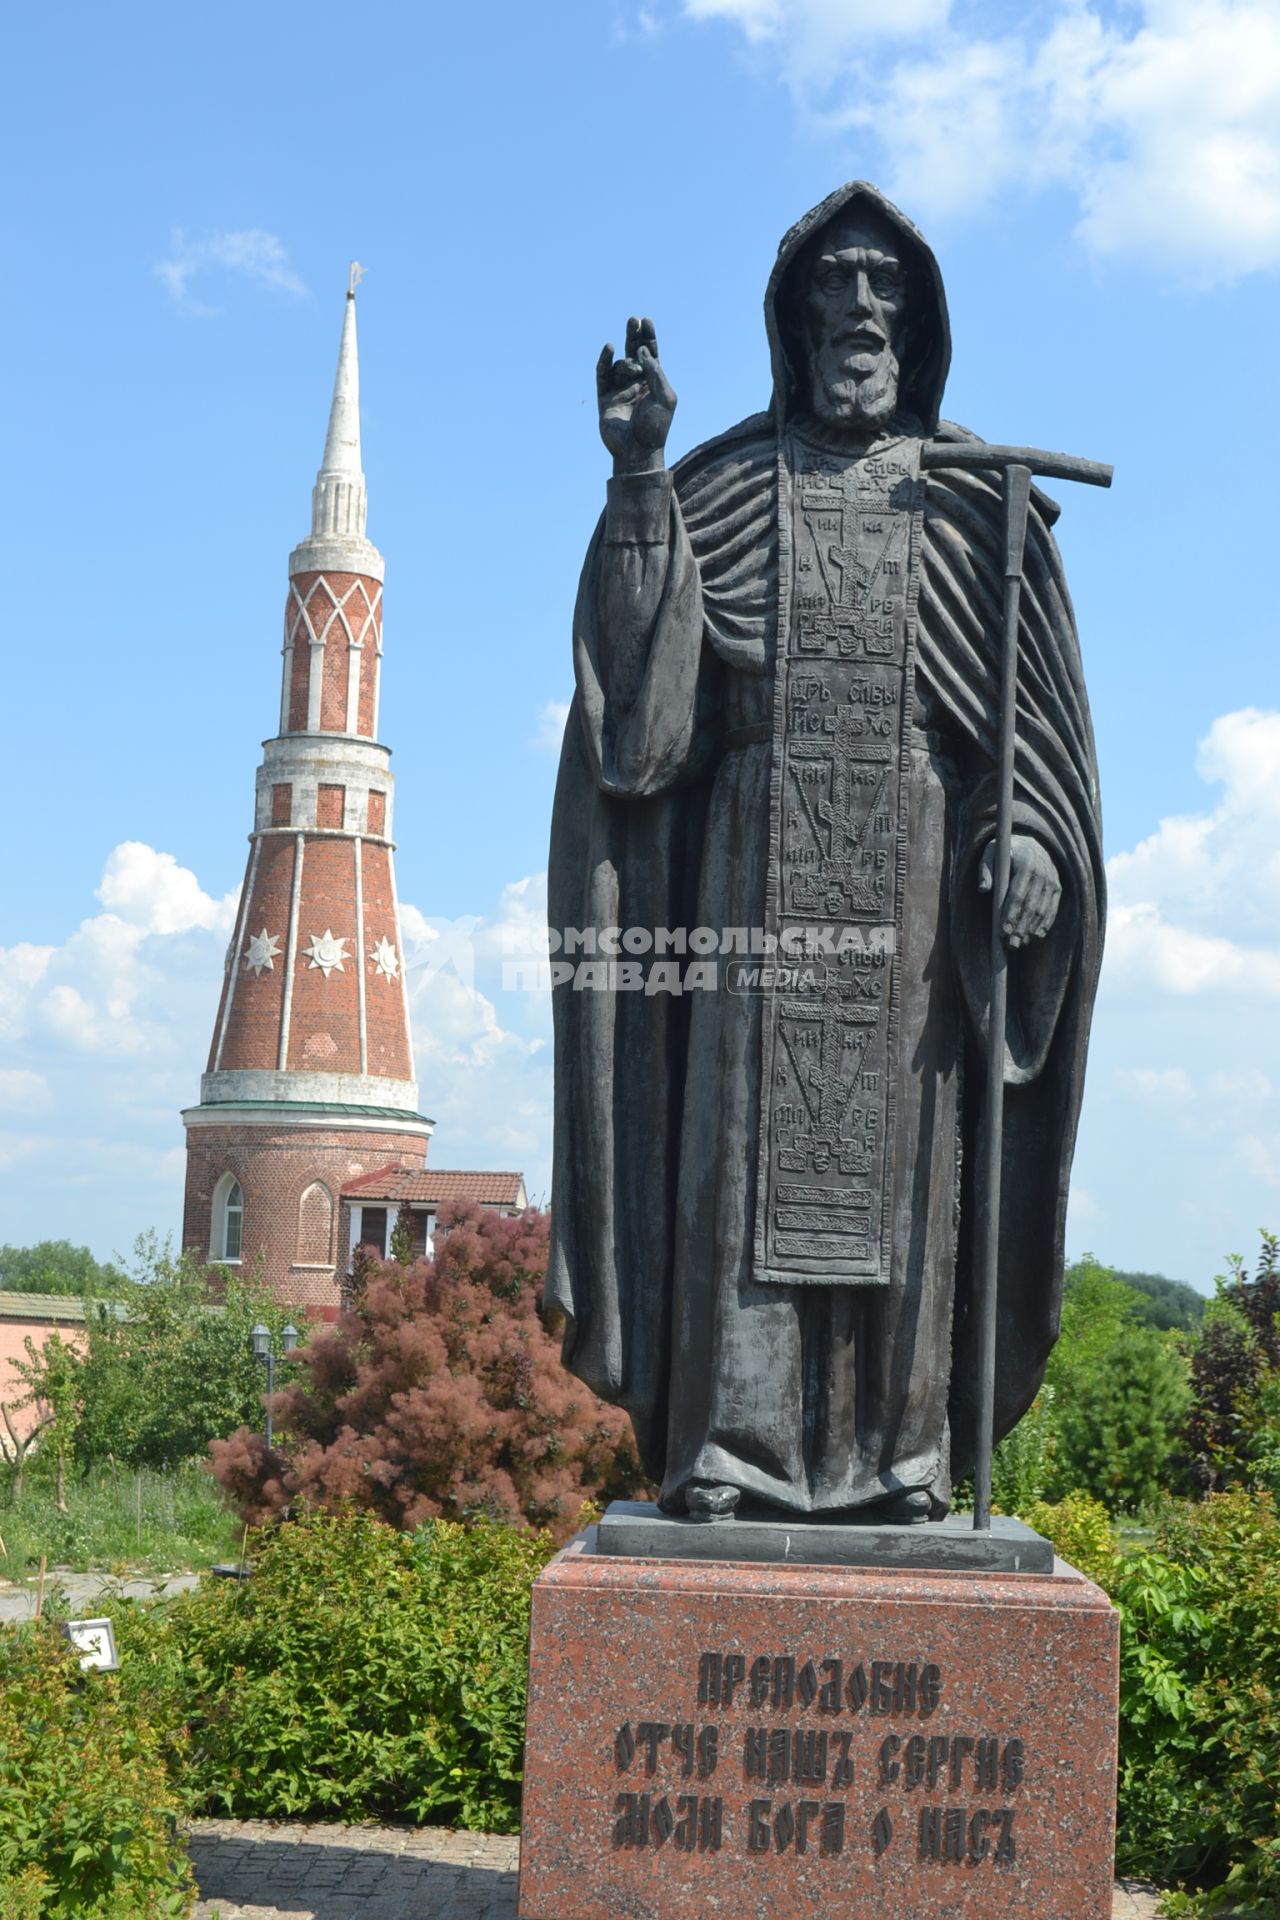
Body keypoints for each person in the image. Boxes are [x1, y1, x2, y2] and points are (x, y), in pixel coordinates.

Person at [546, 181, 1104, 1521]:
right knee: (742, 1159)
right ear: (793, 321)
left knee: (909, 1169)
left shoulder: (977, 501)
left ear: (914, 321)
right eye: (835, 285)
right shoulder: (720, 487)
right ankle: (732, 1448)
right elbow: (637, 728)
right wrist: (635, 479)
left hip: (914, 896)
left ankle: (901, 1456)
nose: (860, 309)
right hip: (753, 886)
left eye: (884, 287)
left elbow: (1027, 737)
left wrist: (1026, 832)